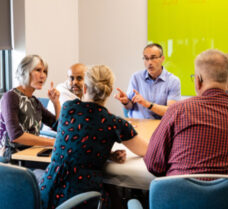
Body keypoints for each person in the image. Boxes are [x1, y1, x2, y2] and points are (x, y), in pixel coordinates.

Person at [39, 65, 148, 209]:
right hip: (84, 196)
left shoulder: (67, 108)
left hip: (49, 189)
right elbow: (146, 150)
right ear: (108, 93)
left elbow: (75, 141)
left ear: (84, 89)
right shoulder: (114, 123)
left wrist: (108, 154)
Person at [144, 49, 228, 177]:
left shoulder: (178, 110)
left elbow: (153, 164)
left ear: (198, 81)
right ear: (227, 80)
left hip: (181, 195)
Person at [0, 55, 60, 161]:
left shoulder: (34, 101)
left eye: (45, 71)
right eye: (38, 70)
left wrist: (56, 102)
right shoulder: (11, 97)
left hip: (30, 155)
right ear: (24, 71)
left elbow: (59, 127)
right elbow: (16, 135)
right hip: (11, 159)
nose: (43, 76)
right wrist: (52, 142)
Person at [114, 43, 181, 119]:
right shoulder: (136, 77)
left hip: (160, 126)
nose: (149, 62)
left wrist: (147, 104)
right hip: (138, 124)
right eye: (146, 58)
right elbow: (130, 107)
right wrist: (125, 102)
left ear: (162, 59)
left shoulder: (173, 81)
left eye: (153, 58)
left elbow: (170, 111)